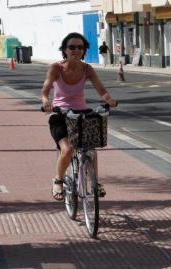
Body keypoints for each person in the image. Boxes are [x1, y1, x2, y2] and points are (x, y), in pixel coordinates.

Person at [41, 32, 117, 201]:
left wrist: (109, 100)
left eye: (80, 47)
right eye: (72, 47)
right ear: (64, 50)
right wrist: (46, 102)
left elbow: (101, 90)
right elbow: (45, 91)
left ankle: (94, 182)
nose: (76, 50)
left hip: (81, 114)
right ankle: (58, 180)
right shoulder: (56, 68)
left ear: (84, 51)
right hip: (60, 114)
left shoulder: (87, 69)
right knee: (67, 150)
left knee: (90, 148)